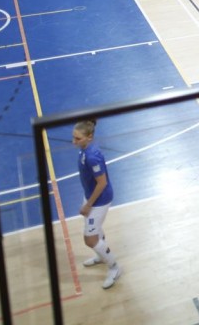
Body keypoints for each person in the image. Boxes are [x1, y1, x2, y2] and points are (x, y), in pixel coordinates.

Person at [72, 119, 122, 290]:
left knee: (90, 239)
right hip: (91, 196)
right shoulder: (84, 148)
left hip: (99, 200)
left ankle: (114, 267)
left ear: (89, 137)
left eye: (78, 138)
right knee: (95, 231)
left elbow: (102, 183)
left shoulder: (92, 157)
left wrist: (88, 205)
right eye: (74, 137)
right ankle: (101, 256)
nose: (74, 141)